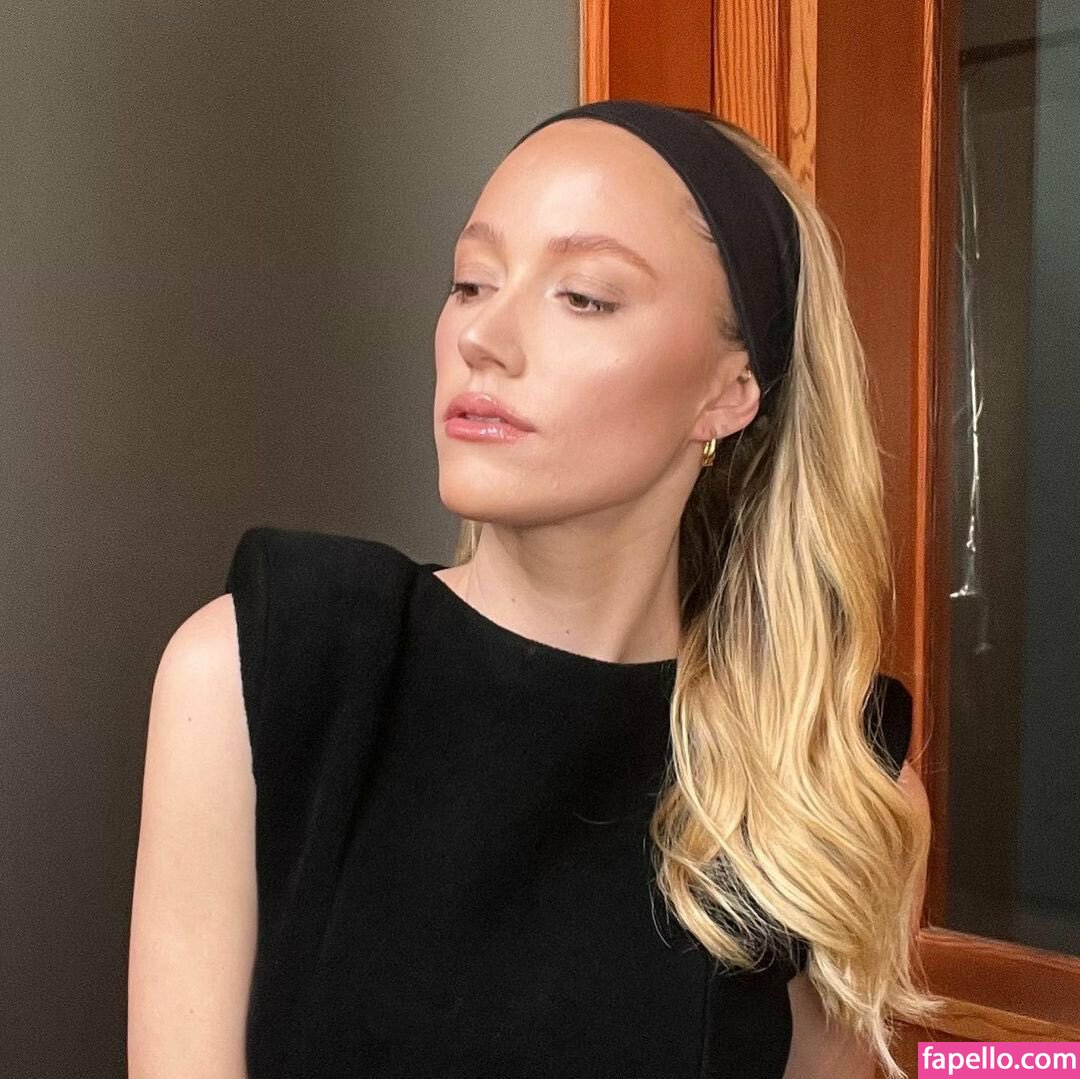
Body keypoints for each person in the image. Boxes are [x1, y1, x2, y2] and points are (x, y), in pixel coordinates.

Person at [128, 99, 944, 1078]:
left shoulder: (829, 775)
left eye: (584, 297)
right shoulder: (262, 668)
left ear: (730, 392)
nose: (484, 336)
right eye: (471, 282)